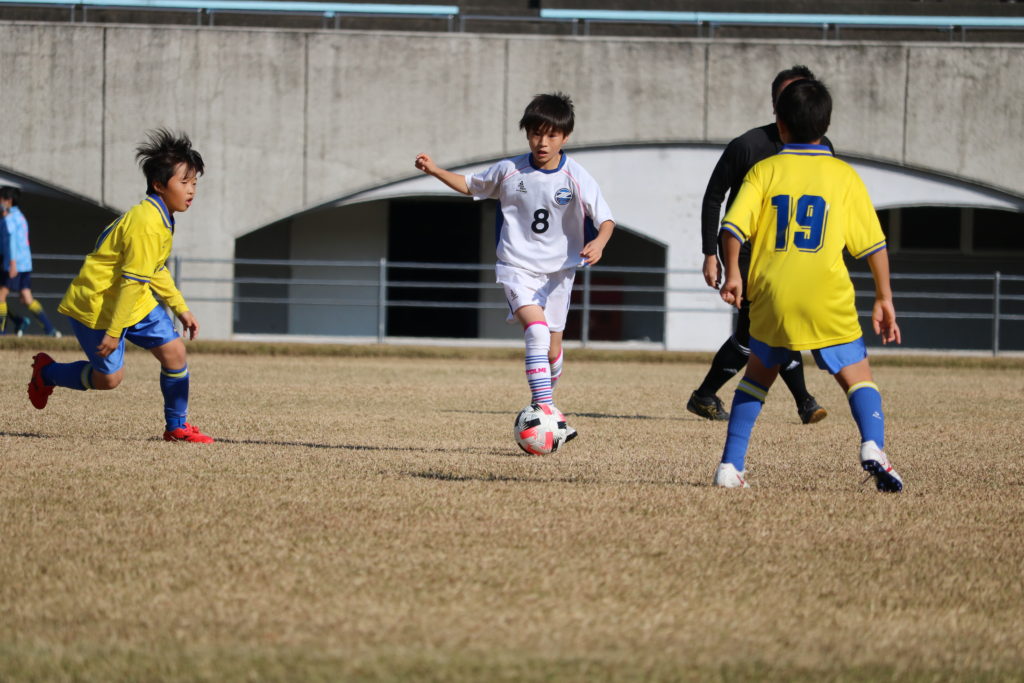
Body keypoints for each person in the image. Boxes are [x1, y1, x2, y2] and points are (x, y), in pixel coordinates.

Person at [712, 78, 903, 492]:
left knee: (756, 377)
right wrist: (884, 297)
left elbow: (732, 228)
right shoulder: (843, 176)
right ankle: (873, 445)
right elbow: (873, 244)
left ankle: (730, 465)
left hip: (773, 294)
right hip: (826, 294)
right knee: (858, 376)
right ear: (826, 124)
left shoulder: (764, 170)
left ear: (779, 124)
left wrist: (734, 274)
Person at [414, 92, 615, 441]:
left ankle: (546, 408)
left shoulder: (577, 176)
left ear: (565, 137)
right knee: (536, 332)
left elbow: (607, 220)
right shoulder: (510, 171)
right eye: (536, 133)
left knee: (553, 350)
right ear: (527, 134)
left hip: (559, 273)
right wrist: (434, 170)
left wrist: (599, 241)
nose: (543, 142)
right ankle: (545, 411)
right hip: (517, 267)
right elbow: (470, 185)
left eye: (552, 135)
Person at [27, 129, 214, 443]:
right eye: (184, 182)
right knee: (109, 379)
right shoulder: (146, 223)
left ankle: (176, 428)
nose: (191, 190)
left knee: (175, 353)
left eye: (194, 182)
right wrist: (114, 332)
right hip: (98, 306)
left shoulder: (161, 216)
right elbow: (131, 281)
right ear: (158, 185)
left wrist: (181, 308)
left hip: (134, 301)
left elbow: (153, 270)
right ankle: (47, 373)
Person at [688, 65, 831, 425]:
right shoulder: (749, 145)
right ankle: (805, 402)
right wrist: (710, 254)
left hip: (793, 254)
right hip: (747, 252)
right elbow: (714, 197)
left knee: (760, 331)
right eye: (786, 98)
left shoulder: (823, 149)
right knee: (772, 324)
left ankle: (705, 395)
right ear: (775, 105)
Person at [0, 186, 60, 337]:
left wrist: (12, 263)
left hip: (13, 263)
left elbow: (11, 242)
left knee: (1, 297)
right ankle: (50, 330)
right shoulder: (20, 217)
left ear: (8, 200)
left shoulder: (10, 219)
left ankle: (2, 332)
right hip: (25, 264)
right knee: (27, 297)